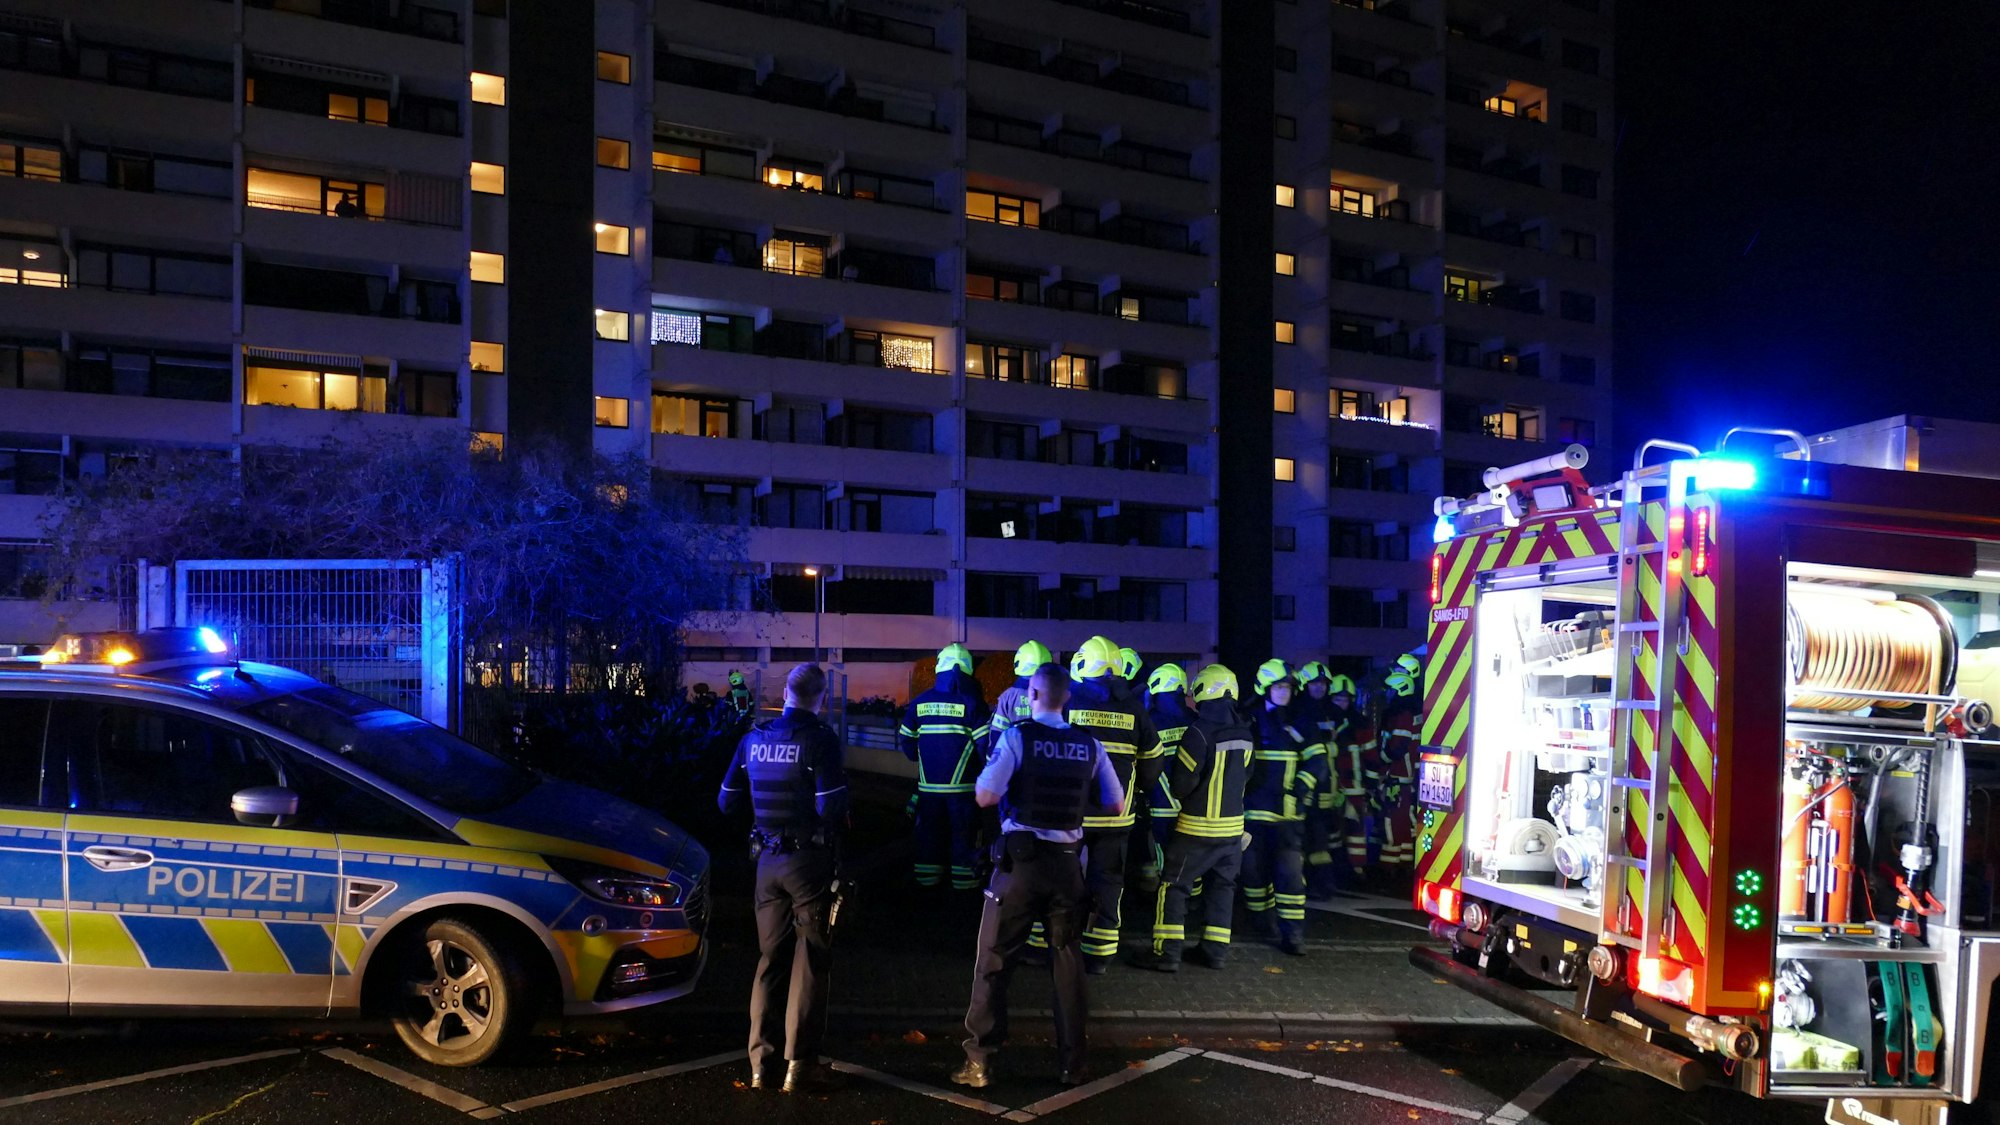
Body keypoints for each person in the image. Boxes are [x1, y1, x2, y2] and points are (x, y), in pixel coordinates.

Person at [953, 665, 1123, 1089]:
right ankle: (1072, 1066)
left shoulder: (1017, 737)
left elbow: (985, 796)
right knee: (1067, 965)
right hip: (1068, 868)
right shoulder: (1089, 746)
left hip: (1021, 867)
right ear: (1066, 698)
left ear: (1032, 693)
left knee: (993, 961)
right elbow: (1116, 805)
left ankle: (980, 1063)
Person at [717, 664, 848, 1094]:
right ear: (821, 696)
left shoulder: (753, 739)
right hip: (807, 862)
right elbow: (831, 810)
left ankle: (760, 1065)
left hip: (766, 864)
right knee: (810, 962)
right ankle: (800, 1065)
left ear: (786, 692)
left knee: (769, 961)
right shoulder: (820, 741)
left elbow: (726, 802)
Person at [1134, 664, 1254, 972]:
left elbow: (1182, 784)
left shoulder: (1198, 732)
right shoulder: (1245, 733)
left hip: (1197, 828)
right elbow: (1248, 776)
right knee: (1222, 889)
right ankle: (1214, 952)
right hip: (1233, 831)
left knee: (1173, 886)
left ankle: (1167, 953)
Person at [1063, 636, 1163, 972]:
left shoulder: (1068, 703)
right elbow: (1152, 762)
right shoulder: (1136, 710)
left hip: (1069, 816)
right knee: (1107, 882)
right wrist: (1136, 792)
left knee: (1060, 878)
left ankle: (1054, 948)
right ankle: (1099, 955)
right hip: (1116, 818)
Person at [1241, 659, 1323, 955]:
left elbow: (1318, 762)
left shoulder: (1301, 721)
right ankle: (1262, 923)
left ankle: (1293, 935)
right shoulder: (1249, 720)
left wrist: (1301, 787)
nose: (1284, 692)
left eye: (1287, 687)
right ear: (1265, 688)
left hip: (1288, 817)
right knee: (1252, 874)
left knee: (1289, 876)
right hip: (1251, 815)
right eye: (1278, 686)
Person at [898, 644, 994, 890]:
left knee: (929, 840)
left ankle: (927, 894)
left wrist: (924, 760)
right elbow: (986, 748)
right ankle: (963, 899)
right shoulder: (973, 703)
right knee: (964, 840)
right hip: (964, 793)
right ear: (969, 671)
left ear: (938, 669)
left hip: (928, 792)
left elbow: (907, 744)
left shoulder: (919, 703)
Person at [1374, 671, 1423, 876]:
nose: (1388, 695)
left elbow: (1396, 748)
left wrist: (1380, 760)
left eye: (1391, 690)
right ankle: (1403, 866)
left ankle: (1389, 870)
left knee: (1391, 824)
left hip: (1397, 778)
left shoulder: (1402, 716)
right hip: (1406, 780)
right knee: (1404, 823)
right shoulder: (1412, 712)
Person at [992, 640, 1054, 740]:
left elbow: (997, 733)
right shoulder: (1057, 694)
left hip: (1015, 752)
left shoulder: (1008, 697)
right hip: (1045, 752)